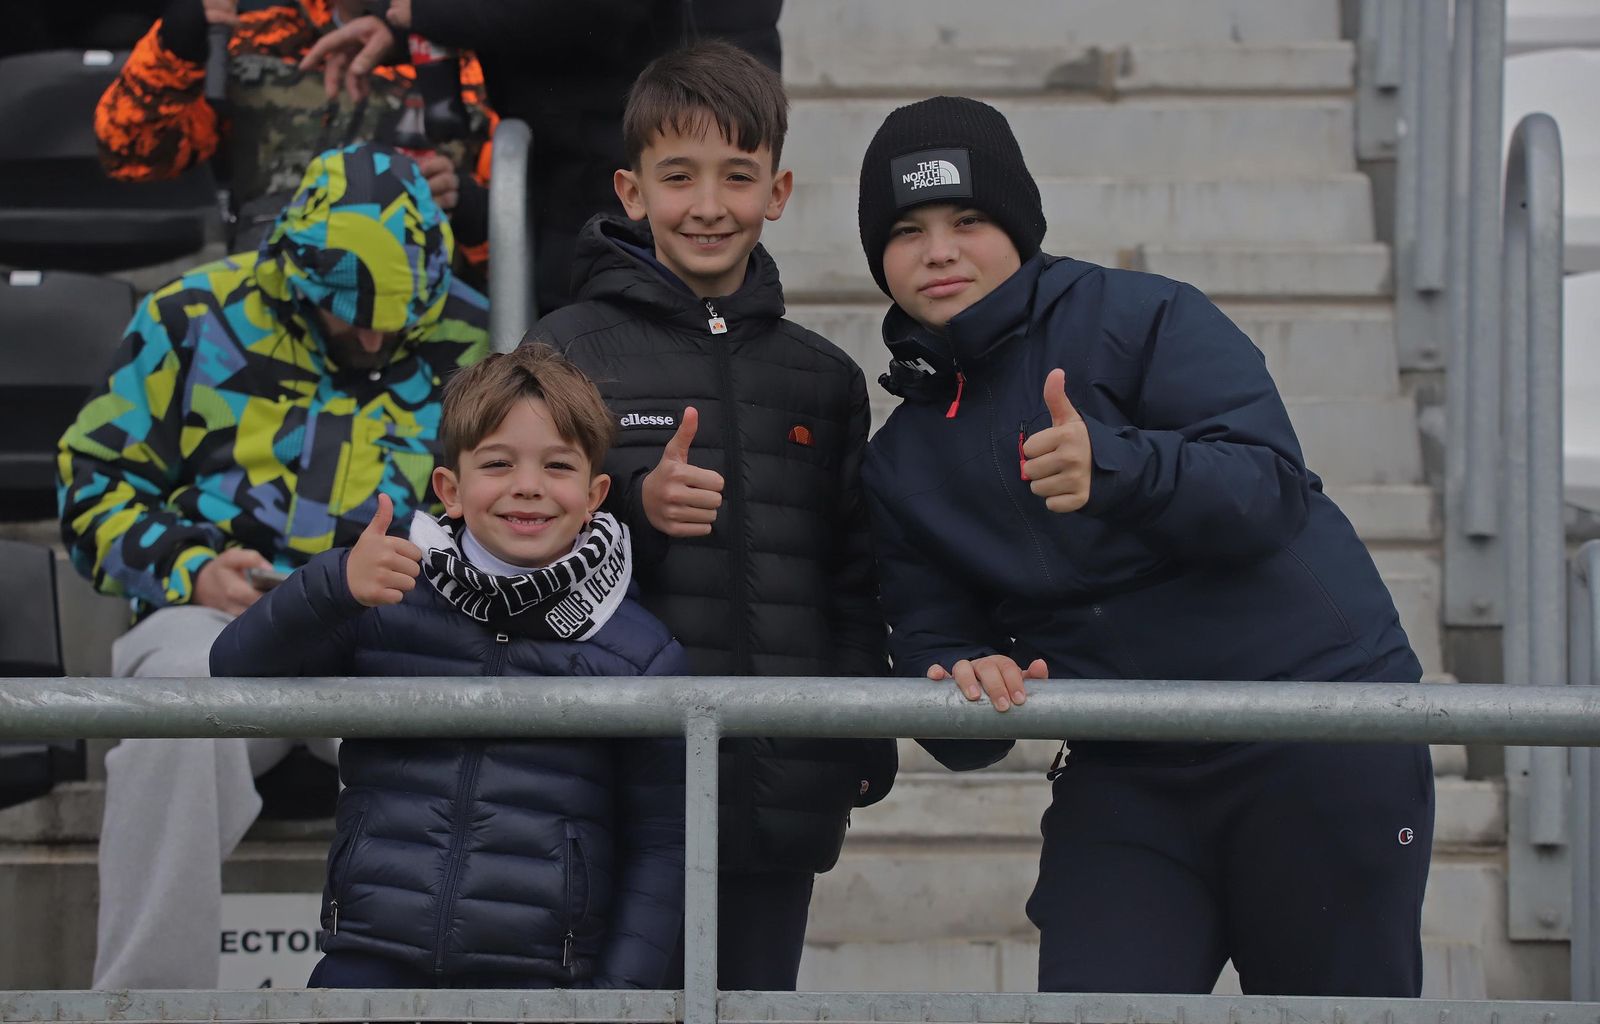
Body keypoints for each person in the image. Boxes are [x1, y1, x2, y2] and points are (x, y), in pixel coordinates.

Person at [855, 96, 1434, 997]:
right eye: (907, 229)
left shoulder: (1145, 313)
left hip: (1312, 732)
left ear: (1019, 225)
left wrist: (1114, 469)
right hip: (1124, 771)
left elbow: (1268, 489)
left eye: (969, 220)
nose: (938, 251)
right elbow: (941, 673)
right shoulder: (898, 461)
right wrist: (967, 681)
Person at [57, 143, 489, 989]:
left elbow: (504, 513)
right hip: (216, 614)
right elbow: (92, 484)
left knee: (466, 727)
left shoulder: (467, 335)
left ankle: (439, 1000)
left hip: (387, 631)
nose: (372, 336)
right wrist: (190, 566)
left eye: (393, 319)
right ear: (295, 273)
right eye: (349, 315)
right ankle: (147, 1004)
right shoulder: (189, 317)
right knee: (169, 714)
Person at [531, 41, 895, 991]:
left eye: (737, 177)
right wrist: (638, 515)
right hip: (611, 795)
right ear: (631, 189)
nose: (707, 205)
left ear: (776, 193)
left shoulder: (825, 377)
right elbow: (504, 550)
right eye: (678, 175)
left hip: (779, 795)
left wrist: (862, 727)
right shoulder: (567, 349)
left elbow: (850, 580)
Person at [210, 343, 689, 989]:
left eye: (557, 465)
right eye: (497, 463)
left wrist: (620, 998)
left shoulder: (640, 651)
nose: (528, 486)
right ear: (450, 489)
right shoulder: (382, 593)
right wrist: (328, 586)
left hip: (545, 980)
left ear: (594, 494)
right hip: (370, 956)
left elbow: (664, 844)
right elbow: (234, 674)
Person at [298, 0, 782, 314]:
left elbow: (602, 13)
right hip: (583, 169)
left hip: (645, 158)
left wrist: (429, 13)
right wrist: (403, 29)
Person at [93, 0, 496, 257]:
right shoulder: (251, 34)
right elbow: (131, 155)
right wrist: (174, 47)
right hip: (265, 287)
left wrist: (472, 209)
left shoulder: (480, 53)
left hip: (417, 300)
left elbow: (525, 251)